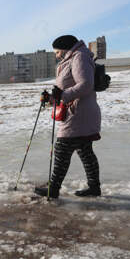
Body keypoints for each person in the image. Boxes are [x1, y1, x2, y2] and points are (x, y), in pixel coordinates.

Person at [34, 34, 101, 198]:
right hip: (77, 112)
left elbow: (86, 84)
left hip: (79, 114)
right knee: (85, 151)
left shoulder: (79, 57)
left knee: (62, 149)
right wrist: (51, 98)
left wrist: (62, 95)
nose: (56, 55)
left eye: (57, 52)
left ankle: (53, 188)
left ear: (64, 49)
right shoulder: (72, 59)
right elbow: (66, 89)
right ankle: (94, 187)